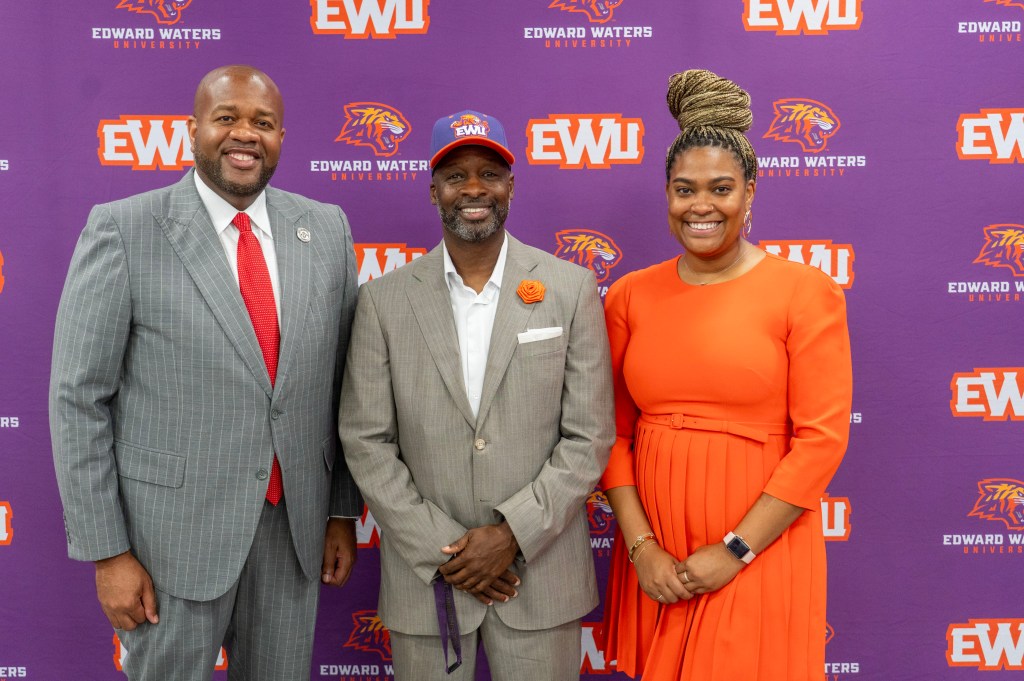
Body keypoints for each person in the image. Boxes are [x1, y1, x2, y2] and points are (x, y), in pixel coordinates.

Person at [49, 65, 362, 681]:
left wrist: (341, 511)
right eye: (227, 118)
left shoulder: (326, 228)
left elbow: (342, 385)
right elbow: (78, 399)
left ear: (281, 138)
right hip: (170, 541)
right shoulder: (125, 228)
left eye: (263, 123)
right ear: (192, 131)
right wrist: (108, 552)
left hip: (292, 532)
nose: (245, 134)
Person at [338, 110, 614, 681]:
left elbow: (588, 435)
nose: (473, 189)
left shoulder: (569, 288)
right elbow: (366, 440)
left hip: (540, 577)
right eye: (455, 176)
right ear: (433, 191)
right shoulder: (383, 301)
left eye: (488, 174)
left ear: (511, 185)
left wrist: (512, 535)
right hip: (429, 581)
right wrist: (446, 550)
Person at [600, 69, 853, 680]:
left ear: (750, 192)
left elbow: (821, 441)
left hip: (760, 543)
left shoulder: (804, 291)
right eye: (684, 189)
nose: (701, 206)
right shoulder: (629, 295)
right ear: (667, 195)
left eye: (721, 188)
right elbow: (610, 434)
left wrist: (735, 549)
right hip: (657, 549)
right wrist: (642, 549)